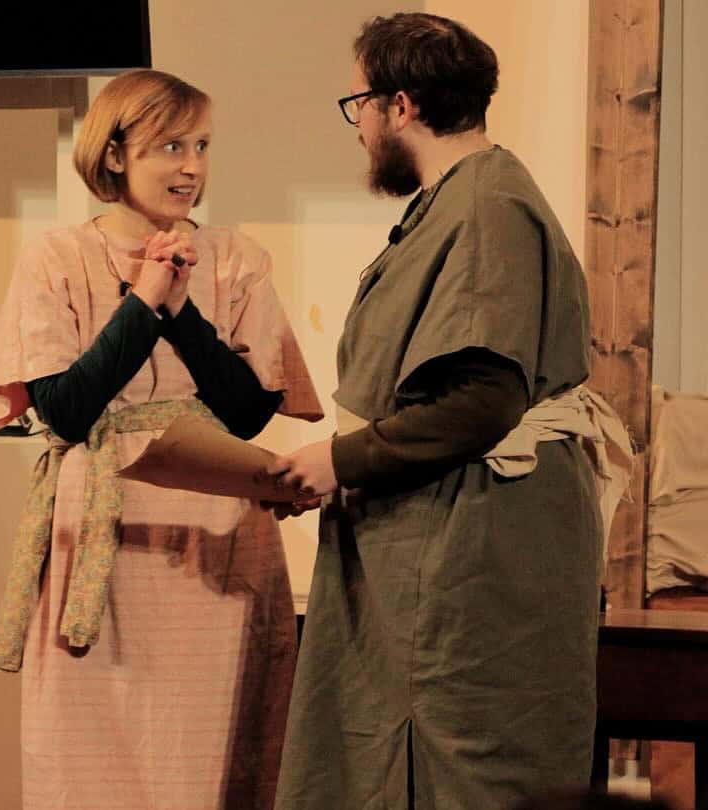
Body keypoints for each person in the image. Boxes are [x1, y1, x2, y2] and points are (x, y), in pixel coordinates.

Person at [269, 13, 631, 809]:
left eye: (358, 104)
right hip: (443, 539)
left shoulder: (488, 207)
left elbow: (479, 403)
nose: (358, 127)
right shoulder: (461, 200)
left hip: (470, 550)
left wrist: (337, 461)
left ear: (399, 106)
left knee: (460, 773)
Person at [0, 68, 323, 809]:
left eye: (202, 146)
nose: (191, 166)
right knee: (89, 761)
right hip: (102, 532)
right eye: (170, 146)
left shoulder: (236, 258)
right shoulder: (55, 258)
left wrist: (183, 312)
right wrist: (142, 303)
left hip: (215, 537)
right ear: (114, 153)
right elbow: (65, 411)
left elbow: (249, 413)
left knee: (208, 755)